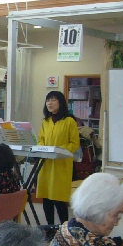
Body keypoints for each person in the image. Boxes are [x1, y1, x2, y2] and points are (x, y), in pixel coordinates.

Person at [36, 91, 79, 224]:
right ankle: (50, 229)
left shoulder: (69, 121)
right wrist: (43, 148)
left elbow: (74, 143)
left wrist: (58, 150)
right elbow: (40, 139)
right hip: (46, 164)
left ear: (60, 102)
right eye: (48, 100)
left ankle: (63, 228)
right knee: (46, 198)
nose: (49, 103)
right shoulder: (45, 121)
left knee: (59, 199)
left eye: (53, 100)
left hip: (61, 164)